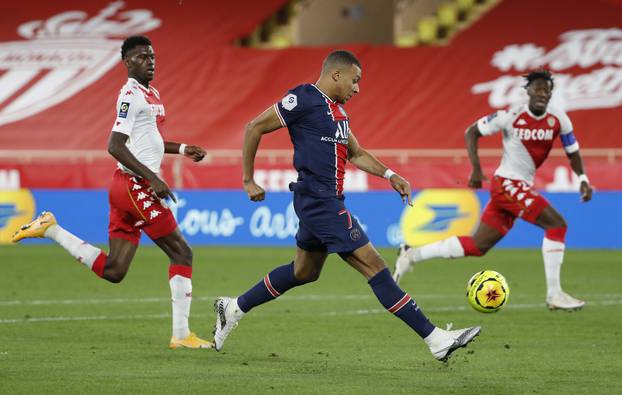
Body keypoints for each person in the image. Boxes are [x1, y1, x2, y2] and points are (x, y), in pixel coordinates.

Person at [212, 50, 480, 362]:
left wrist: (390, 174)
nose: (357, 88)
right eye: (355, 80)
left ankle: (233, 307)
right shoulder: (304, 98)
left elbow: (356, 153)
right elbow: (253, 127)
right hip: (319, 201)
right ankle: (437, 339)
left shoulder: (337, 113)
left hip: (325, 201)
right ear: (336, 75)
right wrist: (248, 179)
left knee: (304, 271)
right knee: (375, 267)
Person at [12, 35, 213, 348]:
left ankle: (51, 230)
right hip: (135, 186)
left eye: (153, 56)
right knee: (182, 252)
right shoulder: (130, 96)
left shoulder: (151, 93)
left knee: (115, 270)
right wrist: (154, 179)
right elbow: (114, 145)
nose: (151, 62)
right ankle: (181, 334)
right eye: (143, 57)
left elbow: (151, 140)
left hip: (127, 188)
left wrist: (184, 148)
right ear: (127, 62)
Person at [393, 69, 593, 311]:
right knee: (557, 225)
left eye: (547, 89)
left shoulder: (559, 119)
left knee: (478, 246)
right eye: (538, 88)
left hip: (515, 187)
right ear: (527, 91)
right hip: (507, 183)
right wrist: (476, 170)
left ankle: (411, 254)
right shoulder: (510, 115)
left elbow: (572, 151)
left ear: (551, 93)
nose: (542, 93)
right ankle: (554, 294)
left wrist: (582, 177)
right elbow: (472, 132)